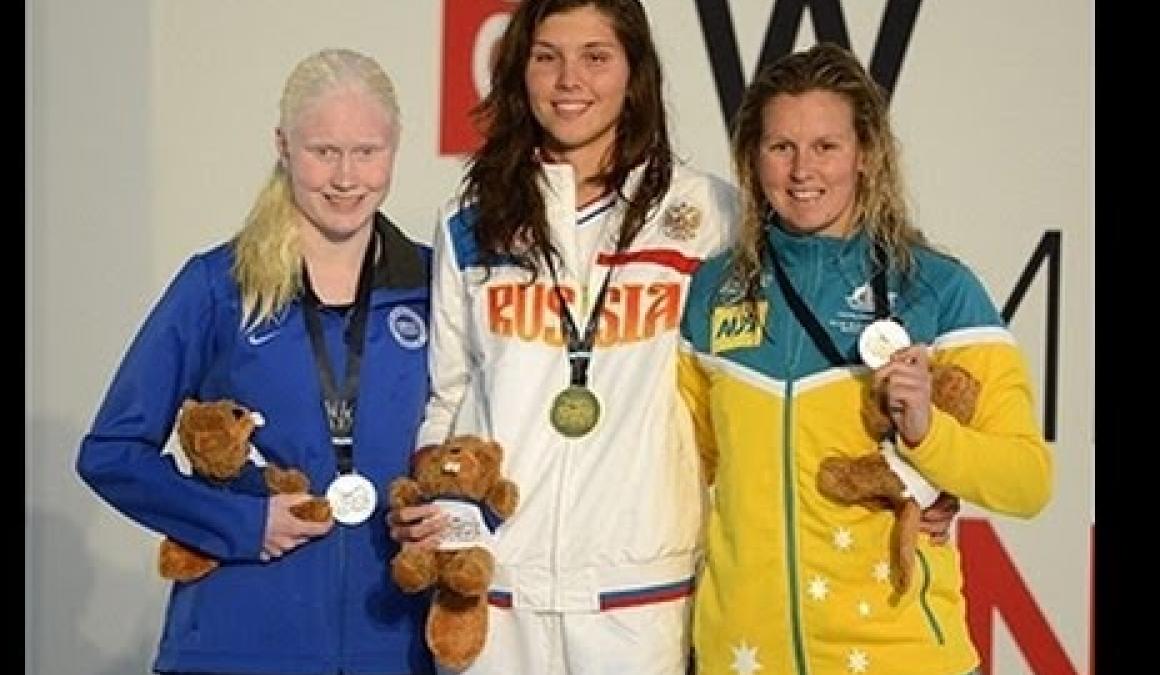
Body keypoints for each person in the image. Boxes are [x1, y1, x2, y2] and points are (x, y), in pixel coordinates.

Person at [676, 42, 1054, 674]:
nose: (802, 171)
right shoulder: (715, 290)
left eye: (826, 146)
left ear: (867, 154)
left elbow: (1027, 480)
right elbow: (680, 468)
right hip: (743, 657)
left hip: (898, 656)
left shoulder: (937, 289)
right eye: (780, 147)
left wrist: (931, 438)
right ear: (751, 157)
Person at [391, 1, 738, 673]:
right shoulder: (470, 222)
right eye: (546, 57)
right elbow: (448, 391)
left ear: (635, 72)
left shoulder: (708, 214)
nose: (568, 79)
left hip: (640, 594)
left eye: (596, 57)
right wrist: (443, 503)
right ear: (519, 71)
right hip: (497, 591)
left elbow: (753, 386)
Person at [76, 48, 435, 674]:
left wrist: (457, 517)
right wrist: (240, 522)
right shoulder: (218, 285)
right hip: (238, 642)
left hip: (397, 645)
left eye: (367, 152)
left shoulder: (435, 286)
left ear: (395, 147)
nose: (347, 177)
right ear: (284, 146)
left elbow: (484, 445)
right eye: (324, 151)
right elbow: (111, 452)